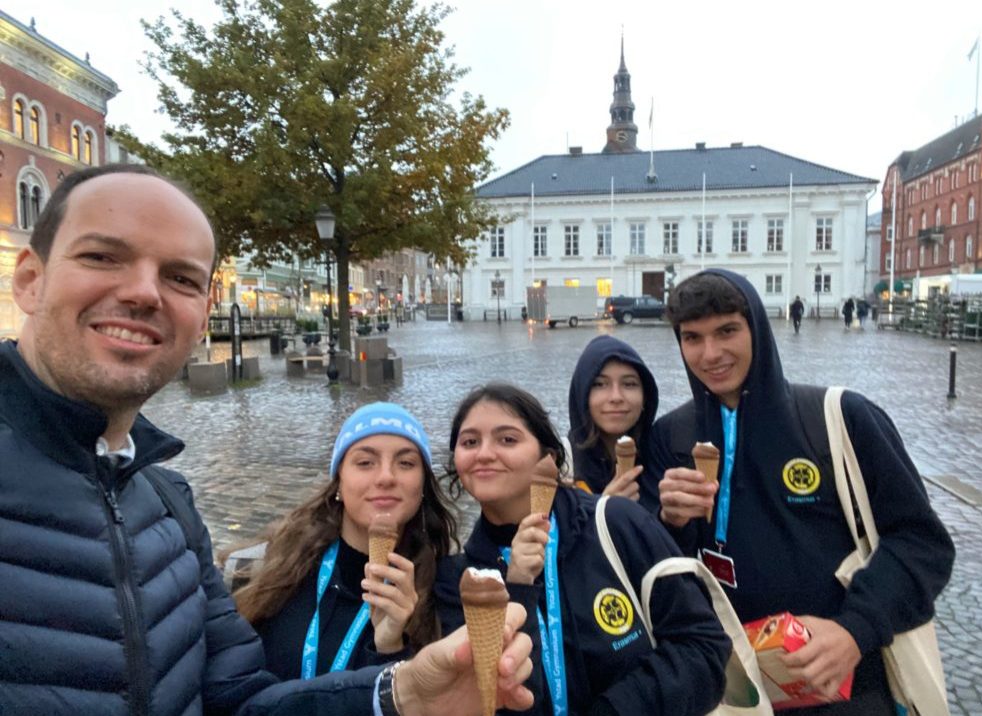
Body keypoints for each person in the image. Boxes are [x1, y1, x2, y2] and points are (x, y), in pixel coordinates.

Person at [0, 163, 535, 716]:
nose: (142, 293)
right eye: (102, 257)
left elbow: (236, 703)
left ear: (204, 312)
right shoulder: (264, 567)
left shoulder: (169, 511)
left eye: (180, 277)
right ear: (29, 279)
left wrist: (397, 692)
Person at [642, 269, 955, 714]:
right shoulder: (671, 436)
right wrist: (670, 522)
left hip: (841, 684)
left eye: (727, 331)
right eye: (692, 338)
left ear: (757, 328)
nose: (710, 353)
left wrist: (855, 630)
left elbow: (923, 544)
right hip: (733, 689)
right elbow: (665, 572)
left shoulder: (840, 418)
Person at [436, 383, 731, 716]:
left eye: (507, 439)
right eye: (470, 442)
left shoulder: (616, 524)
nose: (484, 453)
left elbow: (704, 648)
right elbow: (489, 702)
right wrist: (518, 588)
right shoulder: (458, 581)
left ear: (547, 457)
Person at [233, 402, 458, 680]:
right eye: (365, 462)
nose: (386, 476)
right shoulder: (264, 574)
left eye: (406, 463)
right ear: (339, 480)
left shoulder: (445, 595)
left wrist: (390, 648)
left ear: (422, 484)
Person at [567, 335, 657, 497]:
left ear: (646, 397)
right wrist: (603, 510)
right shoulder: (559, 466)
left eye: (629, 384)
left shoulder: (665, 457)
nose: (616, 397)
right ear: (582, 396)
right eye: (600, 384)